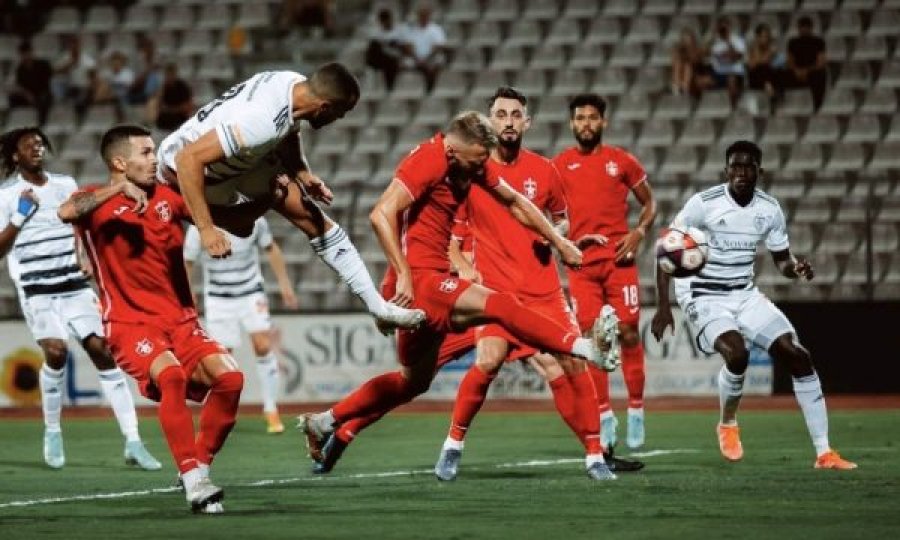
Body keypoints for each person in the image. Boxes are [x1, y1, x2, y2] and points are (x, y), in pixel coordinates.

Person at [298, 111, 619, 472]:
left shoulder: (468, 164)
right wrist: (403, 273)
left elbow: (515, 201)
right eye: (480, 157)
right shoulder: (429, 160)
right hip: (421, 280)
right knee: (501, 304)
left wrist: (559, 242)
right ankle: (584, 348)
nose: (485, 165)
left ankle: (326, 421)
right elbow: (380, 214)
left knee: (411, 382)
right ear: (455, 149)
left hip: (429, 284)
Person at [433, 87, 620, 482]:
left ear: (527, 122)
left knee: (572, 363)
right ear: (490, 121)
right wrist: (465, 267)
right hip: (497, 295)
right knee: (488, 360)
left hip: (544, 291)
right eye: (501, 115)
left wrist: (554, 237)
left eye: (516, 115)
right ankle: (452, 446)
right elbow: (450, 241)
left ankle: (594, 456)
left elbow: (560, 221)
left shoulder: (545, 170)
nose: (509, 122)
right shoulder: (472, 173)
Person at [59, 125, 246, 512]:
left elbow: (225, 218)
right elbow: (66, 212)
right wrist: (116, 190)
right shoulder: (91, 201)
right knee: (172, 376)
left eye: (154, 151)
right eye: (145, 153)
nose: (154, 159)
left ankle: (196, 468)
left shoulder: (167, 197)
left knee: (230, 379)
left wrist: (267, 195)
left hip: (181, 320)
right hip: (129, 323)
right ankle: (195, 480)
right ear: (119, 162)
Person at [156, 63, 425, 333]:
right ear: (324, 107)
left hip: (238, 160)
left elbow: (289, 129)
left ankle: (379, 309)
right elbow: (187, 158)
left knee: (312, 217)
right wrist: (205, 229)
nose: (340, 119)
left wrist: (303, 173)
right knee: (242, 226)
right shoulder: (259, 123)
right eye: (341, 113)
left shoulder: (293, 84)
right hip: (187, 174)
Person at [650, 140, 856, 470]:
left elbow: (782, 261)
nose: (742, 173)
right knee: (737, 353)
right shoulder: (704, 204)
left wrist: (796, 268)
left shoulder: (769, 209)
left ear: (760, 171)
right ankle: (728, 423)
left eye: (749, 167)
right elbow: (665, 250)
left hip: (744, 294)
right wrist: (664, 306)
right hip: (704, 294)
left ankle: (824, 452)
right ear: (726, 170)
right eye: (735, 166)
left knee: (798, 356)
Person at [0, 127, 160, 471]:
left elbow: (79, 224)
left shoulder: (65, 184)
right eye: (29, 146)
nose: (38, 149)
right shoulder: (6, 195)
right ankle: (53, 431)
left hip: (73, 283)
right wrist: (19, 215)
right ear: (15, 155)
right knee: (56, 353)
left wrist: (85, 254)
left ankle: (133, 440)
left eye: (40, 143)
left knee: (103, 351)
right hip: (36, 287)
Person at [553, 93, 658, 451]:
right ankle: (603, 413)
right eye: (580, 117)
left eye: (592, 117)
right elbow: (548, 216)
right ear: (571, 124)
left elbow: (649, 203)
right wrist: (564, 241)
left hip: (619, 263)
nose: (586, 123)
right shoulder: (559, 166)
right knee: (595, 339)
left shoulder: (621, 162)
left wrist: (639, 232)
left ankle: (637, 409)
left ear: (604, 122)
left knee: (628, 333)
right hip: (581, 268)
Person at [184, 217, 298, 434]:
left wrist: (285, 284)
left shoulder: (254, 218)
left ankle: (271, 409)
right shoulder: (198, 226)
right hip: (218, 297)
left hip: (250, 291)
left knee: (263, 346)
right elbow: (187, 261)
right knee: (223, 358)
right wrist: (188, 291)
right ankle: (222, 412)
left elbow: (270, 247)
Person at [781, 16, 827, 111]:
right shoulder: (793, 42)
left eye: (806, 27)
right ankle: (783, 104)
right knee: (782, 73)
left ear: (811, 28)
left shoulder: (819, 42)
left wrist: (806, 71)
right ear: (798, 28)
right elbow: (790, 61)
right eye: (802, 27)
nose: (804, 29)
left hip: (812, 72)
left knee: (821, 74)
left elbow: (821, 62)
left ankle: (817, 106)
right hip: (796, 73)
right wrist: (797, 70)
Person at [401, 3, 449, 92]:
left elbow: (438, 47)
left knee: (437, 63)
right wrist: (417, 59)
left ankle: (430, 88)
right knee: (404, 64)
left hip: (431, 58)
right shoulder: (412, 30)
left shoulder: (436, 29)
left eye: (425, 14)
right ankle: (409, 89)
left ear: (429, 15)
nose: (422, 17)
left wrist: (426, 59)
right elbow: (408, 47)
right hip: (416, 58)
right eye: (421, 15)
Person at [8, 41, 53, 125]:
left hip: (42, 93)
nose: (26, 56)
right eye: (23, 54)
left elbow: (52, 73)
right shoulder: (20, 69)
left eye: (27, 53)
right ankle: (15, 121)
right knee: (12, 98)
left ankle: (42, 123)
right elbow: (20, 86)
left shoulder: (42, 65)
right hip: (28, 95)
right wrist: (27, 94)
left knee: (44, 100)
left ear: (31, 52)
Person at [365, 8, 407, 90]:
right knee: (374, 45)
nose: (385, 23)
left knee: (390, 61)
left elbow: (403, 48)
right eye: (383, 21)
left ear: (390, 19)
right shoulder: (377, 33)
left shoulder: (399, 31)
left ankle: (389, 86)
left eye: (387, 20)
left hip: (394, 57)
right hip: (381, 58)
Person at [708, 17, 746, 106]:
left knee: (731, 79)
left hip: (734, 72)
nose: (723, 29)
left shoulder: (737, 40)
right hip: (718, 72)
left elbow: (736, 56)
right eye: (720, 26)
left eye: (725, 26)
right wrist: (712, 37)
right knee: (699, 81)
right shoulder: (714, 41)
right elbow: (703, 54)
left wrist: (728, 40)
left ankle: (733, 107)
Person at [154, 63, 194, 132]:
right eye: (168, 74)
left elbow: (187, 106)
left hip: (180, 116)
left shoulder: (182, 87)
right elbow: (159, 105)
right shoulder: (164, 87)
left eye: (171, 74)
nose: (170, 76)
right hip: (167, 116)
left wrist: (173, 110)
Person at [670, 28, 708, 97]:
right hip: (682, 74)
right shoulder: (678, 49)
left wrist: (690, 56)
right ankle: (676, 86)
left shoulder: (698, 49)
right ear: (682, 40)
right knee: (678, 64)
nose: (688, 41)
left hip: (695, 73)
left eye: (689, 39)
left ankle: (684, 88)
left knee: (688, 67)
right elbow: (674, 58)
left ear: (693, 39)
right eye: (685, 39)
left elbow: (696, 60)